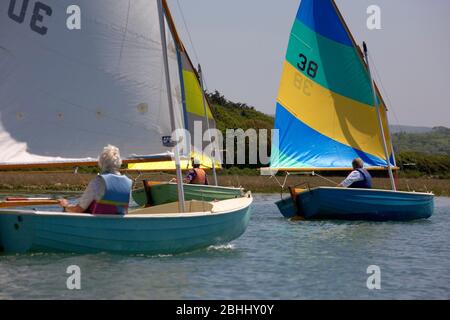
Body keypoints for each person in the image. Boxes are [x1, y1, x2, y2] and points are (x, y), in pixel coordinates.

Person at [58, 145, 132, 214]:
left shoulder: (98, 182)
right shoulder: (128, 183)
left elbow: (78, 209)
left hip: (98, 224)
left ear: (101, 163)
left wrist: (66, 206)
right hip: (118, 224)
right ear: (120, 162)